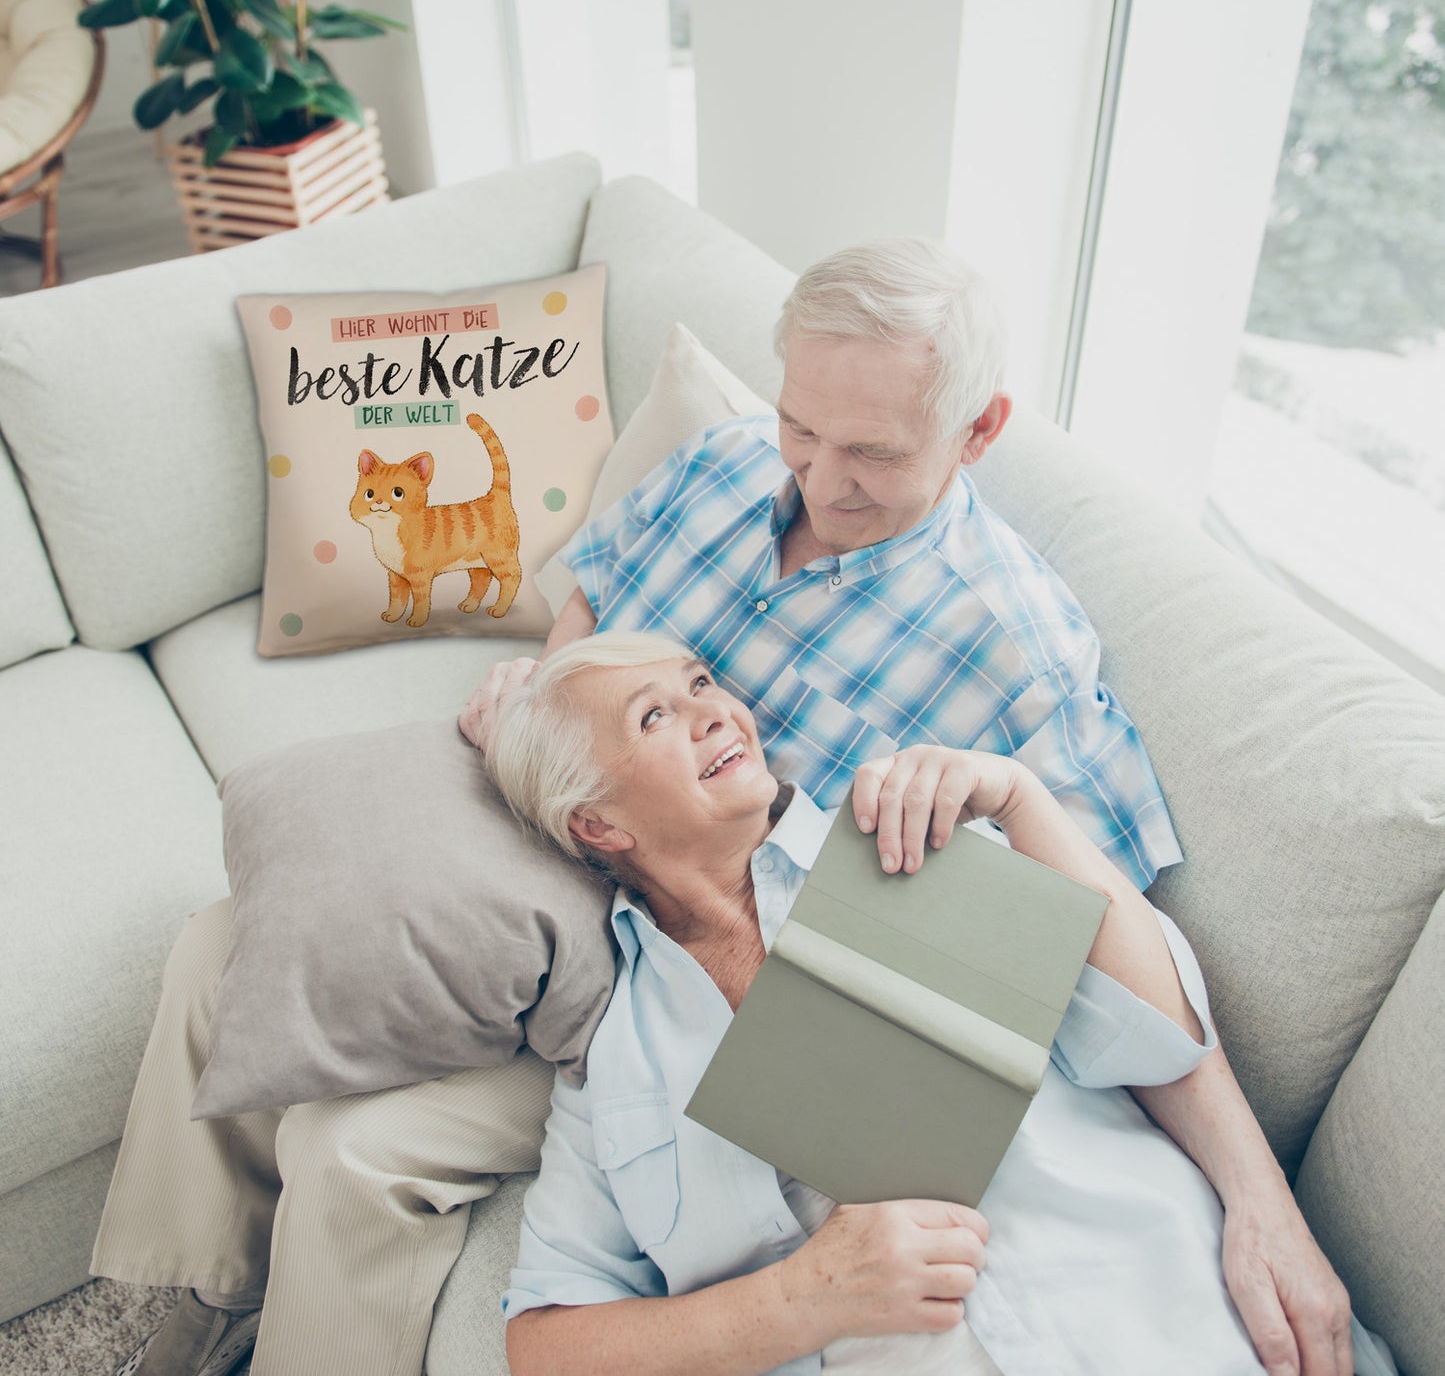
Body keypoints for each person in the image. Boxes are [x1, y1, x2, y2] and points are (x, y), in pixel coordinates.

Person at [94, 240, 1348, 1376]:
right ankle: (193, 1294)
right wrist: (545, 695)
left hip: (692, 944)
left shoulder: (1016, 655)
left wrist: (1260, 1197)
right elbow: (594, 601)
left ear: (976, 432)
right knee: (229, 939)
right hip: (580, 818)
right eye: (804, 426)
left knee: (355, 1149)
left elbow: (1103, 951)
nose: (818, 476)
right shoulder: (725, 463)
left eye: (871, 451)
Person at [486, 631, 1382, 1376]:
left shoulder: (909, 838)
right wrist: (801, 1298)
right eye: (655, 715)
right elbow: (545, 1343)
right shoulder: (614, 1063)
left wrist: (1021, 800)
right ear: (597, 824)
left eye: (700, 683)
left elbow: (1158, 1036)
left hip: (1175, 1322)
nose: (715, 710)